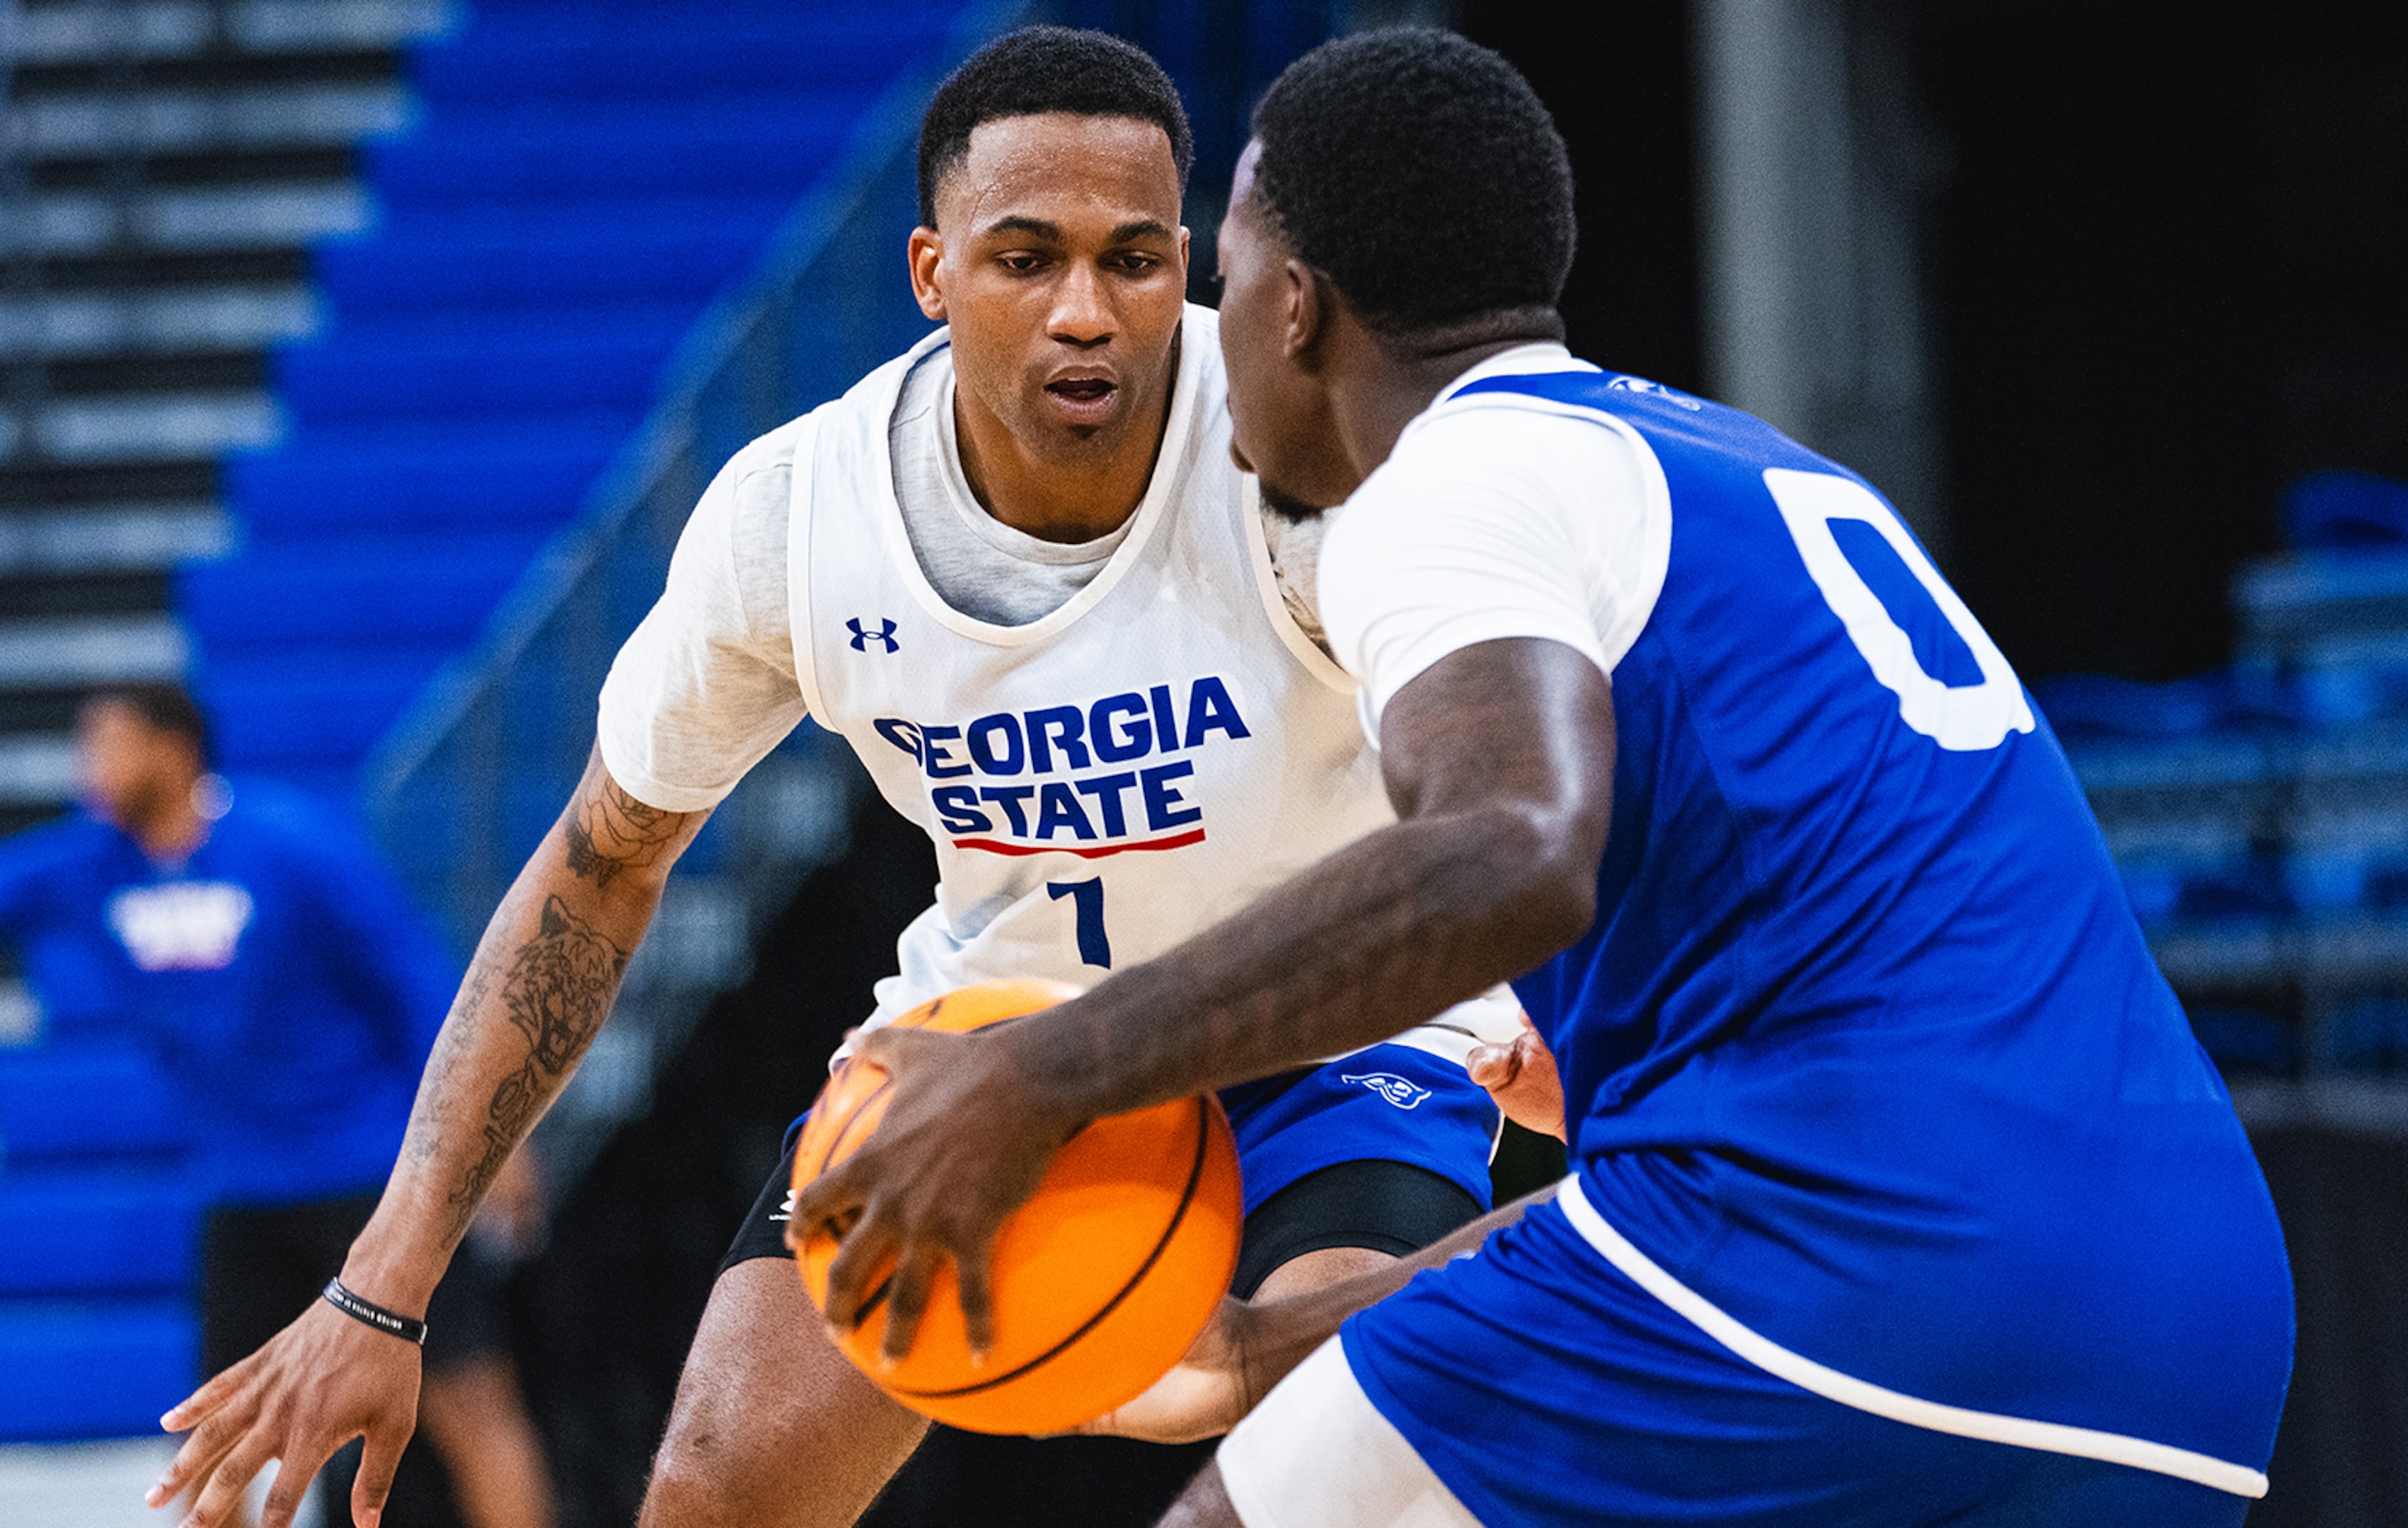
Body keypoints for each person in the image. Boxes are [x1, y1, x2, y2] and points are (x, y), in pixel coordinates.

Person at [787, 28, 2297, 1528]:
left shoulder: (1450, 482)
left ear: (1299, 309)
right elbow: (1631, 1223)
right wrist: (1257, 1345)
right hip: (2187, 1337)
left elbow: (1507, 852)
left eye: (1222, 281)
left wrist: (1033, 1077)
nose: (1200, 329)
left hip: (1859, 1254)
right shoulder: (1752, 467)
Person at [145, 27, 1555, 1528]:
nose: (1087, 312)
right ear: (931, 271)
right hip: (993, 1041)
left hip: (1333, 1034)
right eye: (1026, 258)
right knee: (713, 1492)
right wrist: (385, 1283)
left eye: (1134, 260)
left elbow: (1533, 800)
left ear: (1190, 264)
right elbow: (600, 868)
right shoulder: (800, 520)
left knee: (1334, 1470)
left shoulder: (1309, 458)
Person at [0, 683, 558, 1528]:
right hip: (244, 1197)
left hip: (367, 1182)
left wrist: (495, 1141)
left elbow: (416, 988)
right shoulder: (93, 866)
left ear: (174, 749)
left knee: (471, 1409)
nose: (89, 767)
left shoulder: (292, 845)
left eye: (107, 743)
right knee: (214, 1443)